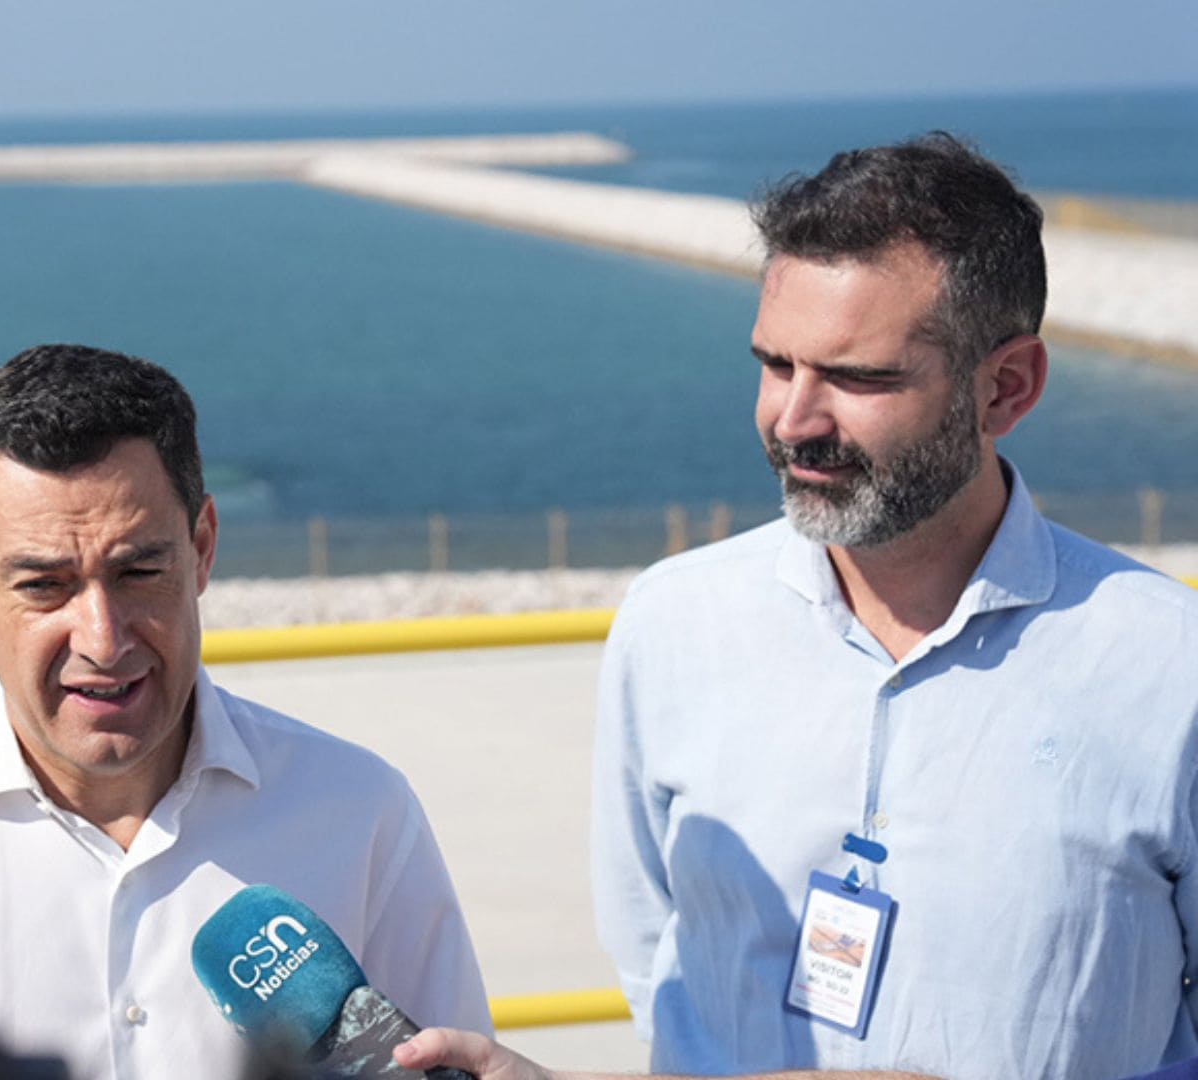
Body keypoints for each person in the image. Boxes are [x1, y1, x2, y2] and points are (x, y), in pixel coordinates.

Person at [399, 133, 1198, 1080]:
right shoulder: (672, 624)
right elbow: (657, 962)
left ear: (1007, 387)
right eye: (777, 365)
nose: (794, 421)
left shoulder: (1168, 668)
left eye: (858, 378)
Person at [0, 344, 490, 1078]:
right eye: (44, 585)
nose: (103, 639)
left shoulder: (361, 813)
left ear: (204, 545)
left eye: (140, 569)